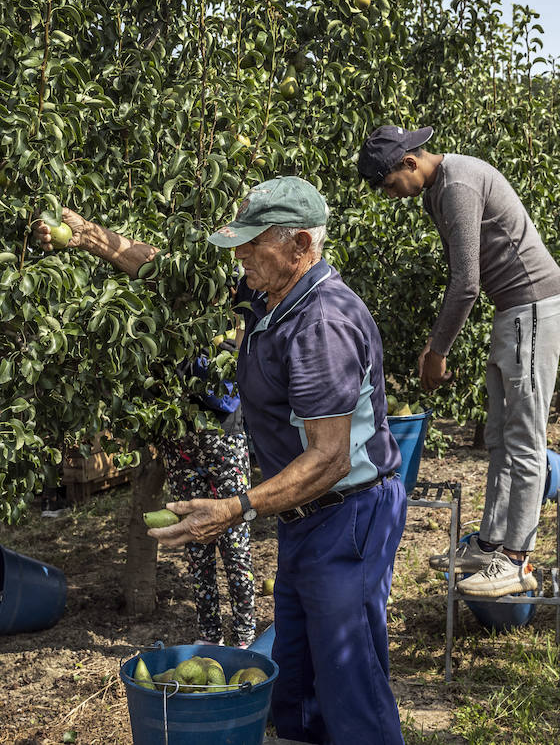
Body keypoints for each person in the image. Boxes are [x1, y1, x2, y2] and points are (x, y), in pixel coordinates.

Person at [149, 176, 407, 745]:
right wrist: (90, 237)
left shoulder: (320, 325)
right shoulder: (273, 299)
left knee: (350, 681)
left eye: (252, 241)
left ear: (300, 247)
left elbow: (330, 458)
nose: (239, 253)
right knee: (299, 683)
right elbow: (165, 272)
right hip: (307, 521)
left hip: (347, 519)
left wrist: (235, 508)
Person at [357, 124, 560, 598]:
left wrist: (438, 351)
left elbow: (466, 283)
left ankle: (517, 558)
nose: (388, 193)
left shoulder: (456, 184)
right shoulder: (438, 189)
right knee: (499, 434)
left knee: (525, 437)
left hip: (533, 305)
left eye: (389, 183)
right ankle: (491, 542)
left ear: (410, 163)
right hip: (514, 309)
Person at [33, 210, 256, 647]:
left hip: (224, 438)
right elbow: (140, 257)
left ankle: (246, 634)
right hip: (181, 443)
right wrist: (85, 235)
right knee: (195, 540)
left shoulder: (237, 308)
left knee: (235, 536)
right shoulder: (174, 302)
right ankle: (210, 635)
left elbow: (229, 390)